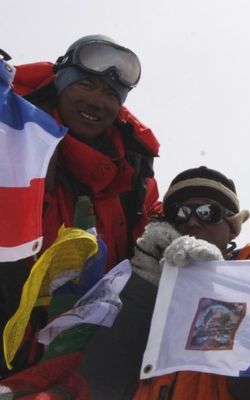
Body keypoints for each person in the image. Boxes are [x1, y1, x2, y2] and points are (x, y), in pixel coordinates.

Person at [0, 166, 250, 399]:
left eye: (207, 212)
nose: (191, 221)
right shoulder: (131, 279)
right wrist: (147, 281)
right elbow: (102, 381)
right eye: (179, 212)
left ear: (232, 226)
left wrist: (215, 284)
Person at [0, 34, 160, 375]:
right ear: (60, 81)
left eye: (109, 94)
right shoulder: (12, 135)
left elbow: (153, 234)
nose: (96, 101)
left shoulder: (133, 179)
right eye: (85, 85)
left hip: (78, 363)